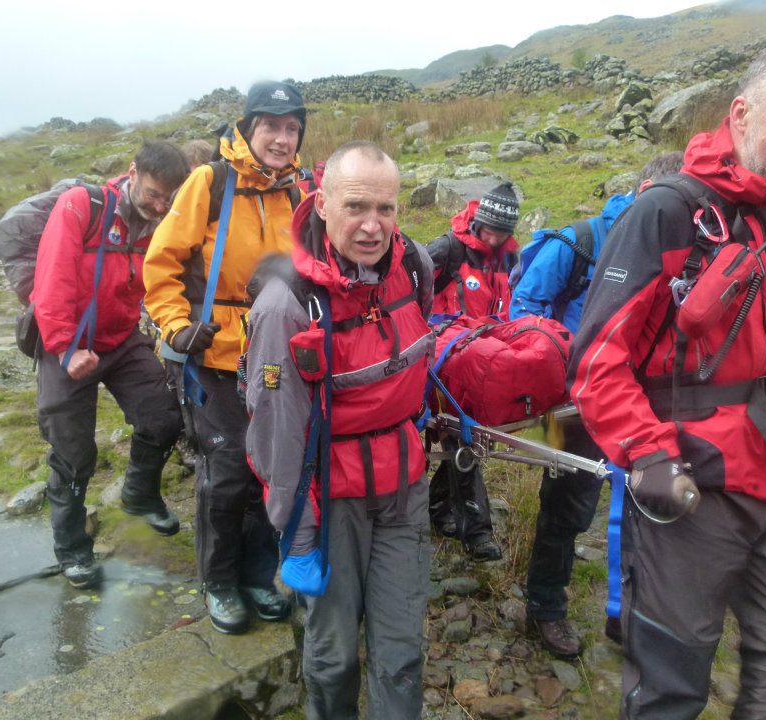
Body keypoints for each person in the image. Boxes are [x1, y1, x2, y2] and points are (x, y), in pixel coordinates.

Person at [568, 46, 766, 717]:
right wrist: (647, 456)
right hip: (686, 482)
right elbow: (595, 360)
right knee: (671, 683)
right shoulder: (667, 214)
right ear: (743, 113)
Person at [243, 141, 435, 720]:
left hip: (404, 489)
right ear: (321, 204)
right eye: (356, 207)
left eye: (387, 208)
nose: (373, 226)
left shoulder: (414, 266)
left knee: (402, 651)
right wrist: (297, 536)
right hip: (329, 504)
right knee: (332, 657)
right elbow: (276, 437)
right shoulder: (288, 306)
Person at [143, 81, 307, 634]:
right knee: (228, 470)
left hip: (279, 357)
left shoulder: (301, 191)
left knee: (274, 467)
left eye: (291, 128)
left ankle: (261, 574)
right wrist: (177, 325)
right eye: (271, 126)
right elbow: (161, 262)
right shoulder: (209, 182)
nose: (282, 139)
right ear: (248, 128)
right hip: (214, 353)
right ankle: (218, 580)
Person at [508, 152, 683, 658]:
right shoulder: (580, 241)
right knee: (564, 508)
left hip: (647, 404)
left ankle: (630, 612)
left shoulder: (681, 246)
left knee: (646, 509)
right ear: (648, 187)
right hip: (570, 404)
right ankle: (544, 608)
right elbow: (525, 311)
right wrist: (572, 364)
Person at [32, 140, 190, 589]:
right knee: (73, 452)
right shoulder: (82, 206)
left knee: (163, 415)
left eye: (168, 198)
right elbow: (53, 280)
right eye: (154, 194)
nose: (160, 206)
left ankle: (139, 495)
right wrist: (65, 347)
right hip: (67, 343)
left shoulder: (162, 222)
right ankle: (72, 548)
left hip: (120, 339)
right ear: (132, 171)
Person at [424, 182, 520, 562]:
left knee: (463, 440)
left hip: (487, 355)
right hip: (448, 357)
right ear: (478, 221)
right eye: (489, 229)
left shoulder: (507, 258)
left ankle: (438, 509)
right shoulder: (447, 249)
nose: (494, 237)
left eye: (502, 232)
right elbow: (406, 290)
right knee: (465, 438)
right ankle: (477, 533)